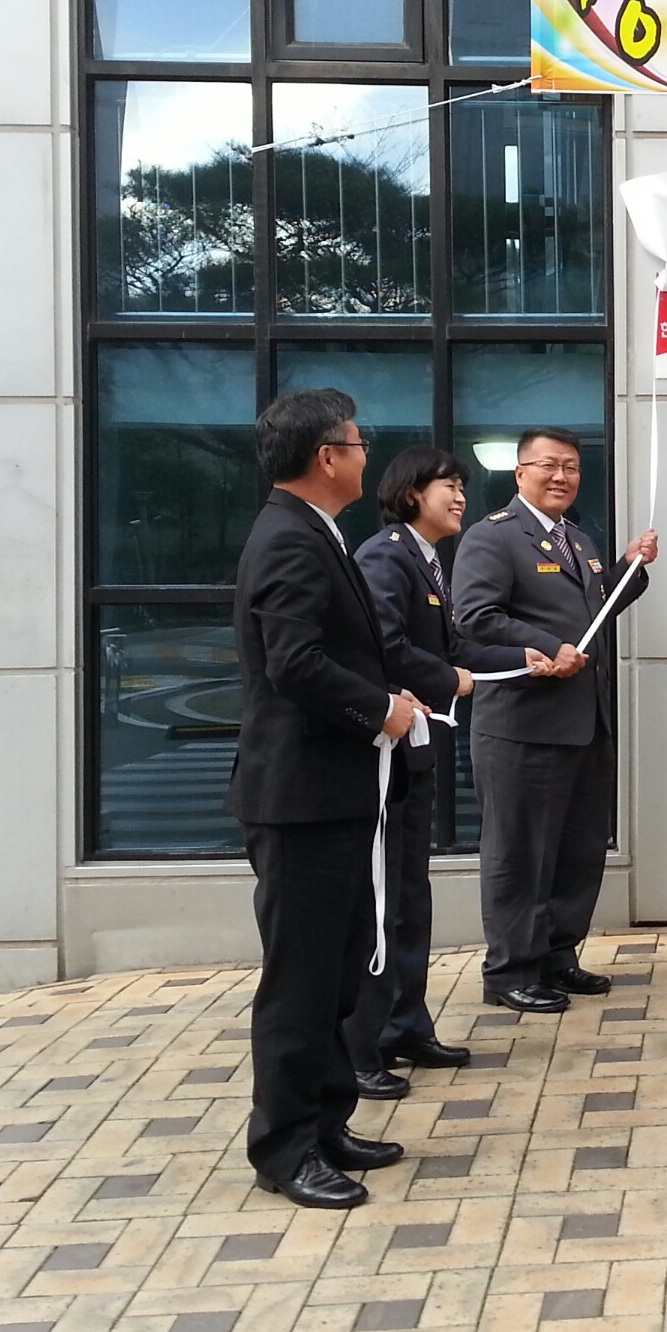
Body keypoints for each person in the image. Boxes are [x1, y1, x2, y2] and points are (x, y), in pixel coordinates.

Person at [227, 388, 425, 1209]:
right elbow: (295, 663)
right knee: (301, 984)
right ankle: (284, 1149)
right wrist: (380, 709)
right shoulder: (288, 538)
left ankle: (326, 1122)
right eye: (359, 441)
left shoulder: (316, 530)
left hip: (335, 794)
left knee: (340, 972)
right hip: (300, 800)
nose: (366, 453)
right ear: (327, 456)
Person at [346, 448, 554, 1097]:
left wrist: (519, 657)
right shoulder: (386, 557)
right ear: (411, 493)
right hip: (384, 750)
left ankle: (405, 1025)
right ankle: (361, 1047)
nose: (460, 496)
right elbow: (386, 646)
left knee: (411, 895)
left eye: (462, 485)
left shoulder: (428, 560)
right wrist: (448, 678)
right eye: (448, 485)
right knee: (383, 901)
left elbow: (454, 645)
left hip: (417, 750)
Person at [451, 428, 657, 1015]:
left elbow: (593, 611)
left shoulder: (579, 540)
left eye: (571, 467)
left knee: (576, 849)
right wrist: (546, 646)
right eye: (548, 465)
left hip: (583, 723)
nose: (562, 477)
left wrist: (629, 568)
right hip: (522, 725)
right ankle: (510, 970)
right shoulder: (492, 537)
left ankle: (556, 957)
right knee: (519, 854)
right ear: (520, 473)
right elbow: (475, 617)